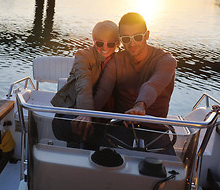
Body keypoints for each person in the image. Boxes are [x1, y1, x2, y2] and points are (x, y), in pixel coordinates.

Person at [94, 12, 177, 154]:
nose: (132, 44)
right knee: (98, 161)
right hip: (120, 126)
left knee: (170, 172)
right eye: (126, 39)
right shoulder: (116, 60)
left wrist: (140, 105)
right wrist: (86, 114)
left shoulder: (166, 61)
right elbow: (103, 91)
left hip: (155, 131)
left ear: (147, 35)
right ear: (121, 40)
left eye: (138, 37)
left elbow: (152, 85)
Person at [51, 20, 120, 148]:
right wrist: (85, 113)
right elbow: (84, 85)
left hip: (102, 114)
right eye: (99, 43)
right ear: (93, 41)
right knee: (80, 130)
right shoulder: (83, 56)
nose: (105, 48)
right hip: (74, 108)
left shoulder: (119, 59)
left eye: (110, 44)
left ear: (117, 43)